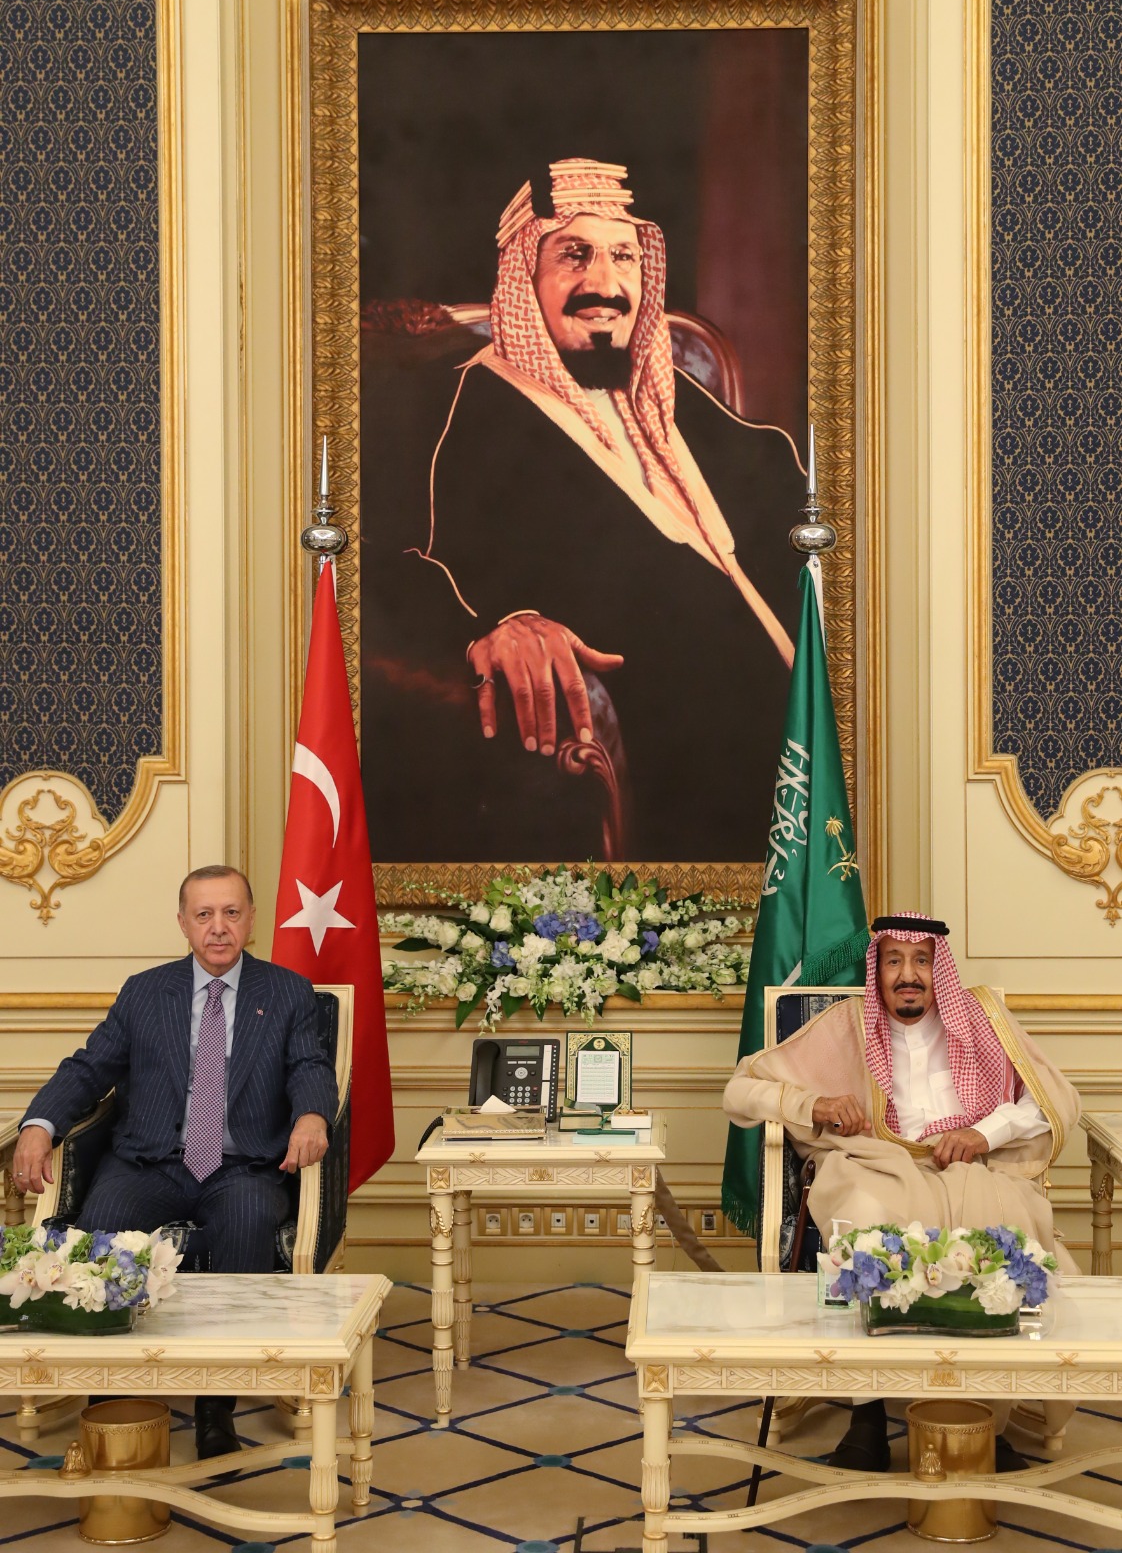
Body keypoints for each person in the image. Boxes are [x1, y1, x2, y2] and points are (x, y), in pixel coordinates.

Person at [362, 157, 804, 862]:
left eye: (624, 256)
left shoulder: (675, 396)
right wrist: (497, 625)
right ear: (523, 278)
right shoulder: (463, 407)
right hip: (687, 758)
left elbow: (794, 510)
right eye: (574, 255)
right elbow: (389, 558)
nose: (605, 284)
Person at [722, 910, 1081, 1472]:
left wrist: (983, 1133)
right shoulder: (845, 1027)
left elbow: (1055, 1099)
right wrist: (814, 1104)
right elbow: (740, 1091)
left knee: (999, 1226)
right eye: (894, 961)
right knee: (867, 1216)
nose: (908, 975)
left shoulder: (982, 1019)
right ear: (878, 969)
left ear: (940, 971)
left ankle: (987, 1416)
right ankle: (866, 1416)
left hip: (966, 1165)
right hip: (874, 1162)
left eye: (921, 961)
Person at [10, 865, 338, 1463]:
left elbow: (309, 1067)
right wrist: (39, 1125)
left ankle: (217, 1405)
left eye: (231, 913)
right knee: (103, 1223)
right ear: (183, 922)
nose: (218, 928)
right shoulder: (145, 991)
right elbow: (89, 1068)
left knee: (248, 1222)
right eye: (204, 915)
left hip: (242, 1166)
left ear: (252, 919)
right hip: (149, 1162)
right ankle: (111, 1398)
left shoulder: (286, 991)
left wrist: (312, 1116)